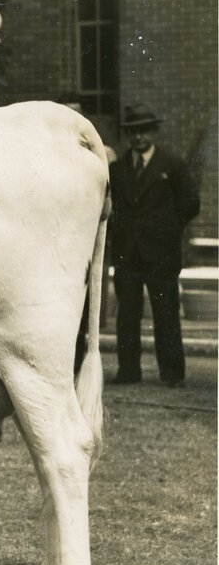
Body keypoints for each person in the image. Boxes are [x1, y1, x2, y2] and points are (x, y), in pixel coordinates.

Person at [109, 104, 200, 387]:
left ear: (153, 132)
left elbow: (190, 204)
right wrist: (119, 233)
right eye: (133, 132)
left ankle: (172, 373)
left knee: (166, 314)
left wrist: (167, 230)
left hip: (161, 254)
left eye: (143, 131)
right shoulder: (117, 168)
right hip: (127, 254)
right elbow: (111, 208)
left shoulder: (172, 164)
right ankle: (128, 371)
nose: (138, 137)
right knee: (127, 315)